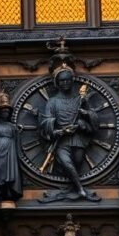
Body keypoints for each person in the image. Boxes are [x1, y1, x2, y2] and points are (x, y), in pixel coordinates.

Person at [39, 66, 98, 200]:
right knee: (67, 163)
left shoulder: (80, 100)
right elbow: (45, 122)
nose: (65, 83)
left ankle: (72, 188)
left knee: (77, 162)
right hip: (61, 141)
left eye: (67, 80)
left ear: (72, 81)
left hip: (78, 139)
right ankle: (81, 190)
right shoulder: (52, 102)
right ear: (57, 83)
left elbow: (93, 119)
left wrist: (84, 119)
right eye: (62, 81)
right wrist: (60, 131)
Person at [0, 91, 23, 202]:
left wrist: (18, 132)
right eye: (4, 111)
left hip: (10, 150)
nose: (6, 113)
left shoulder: (12, 127)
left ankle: (9, 190)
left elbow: (17, 139)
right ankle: (0, 190)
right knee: (0, 171)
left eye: (8, 111)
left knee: (11, 172)